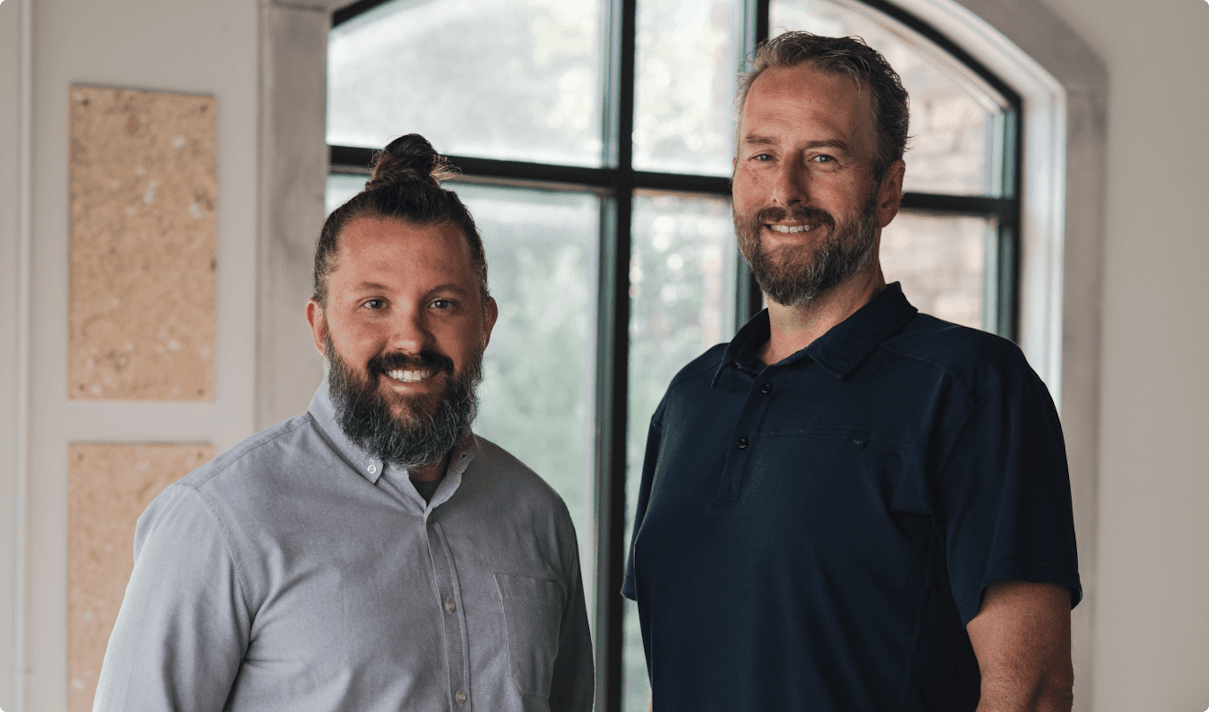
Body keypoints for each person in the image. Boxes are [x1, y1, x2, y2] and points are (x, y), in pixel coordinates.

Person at [622, 32, 1080, 711]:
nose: (785, 190)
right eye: (762, 155)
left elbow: (1031, 690)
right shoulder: (690, 399)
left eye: (823, 157)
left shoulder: (974, 389)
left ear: (886, 189)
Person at [94, 134, 594, 711]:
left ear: (485, 322)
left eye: (442, 304)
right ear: (321, 328)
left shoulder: (538, 517)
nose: (410, 338)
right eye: (374, 304)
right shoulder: (218, 522)